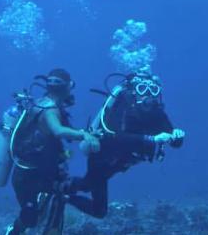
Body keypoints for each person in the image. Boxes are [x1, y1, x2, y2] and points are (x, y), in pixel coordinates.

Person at [0, 68, 100, 235]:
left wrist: (83, 134)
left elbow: (61, 136)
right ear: (68, 87)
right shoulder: (50, 109)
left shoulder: (43, 104)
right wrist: (85, 135)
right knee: (30, 216)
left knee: (45, 207)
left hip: (39, 172)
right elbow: (58, 131)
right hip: (28, 175)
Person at [66, 71, 185, 218]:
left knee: (87, 184)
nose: (148, 94)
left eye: (153, 90)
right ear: (135, 91)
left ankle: (61, 188)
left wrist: (178, 137)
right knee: (97, 207)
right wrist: (152, 139)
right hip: (102, 158)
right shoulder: (125, 107)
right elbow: (116, 138)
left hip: (121, 162)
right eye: (142, 88)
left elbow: (173, 141)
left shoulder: (158, 114)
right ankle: (60, 193)